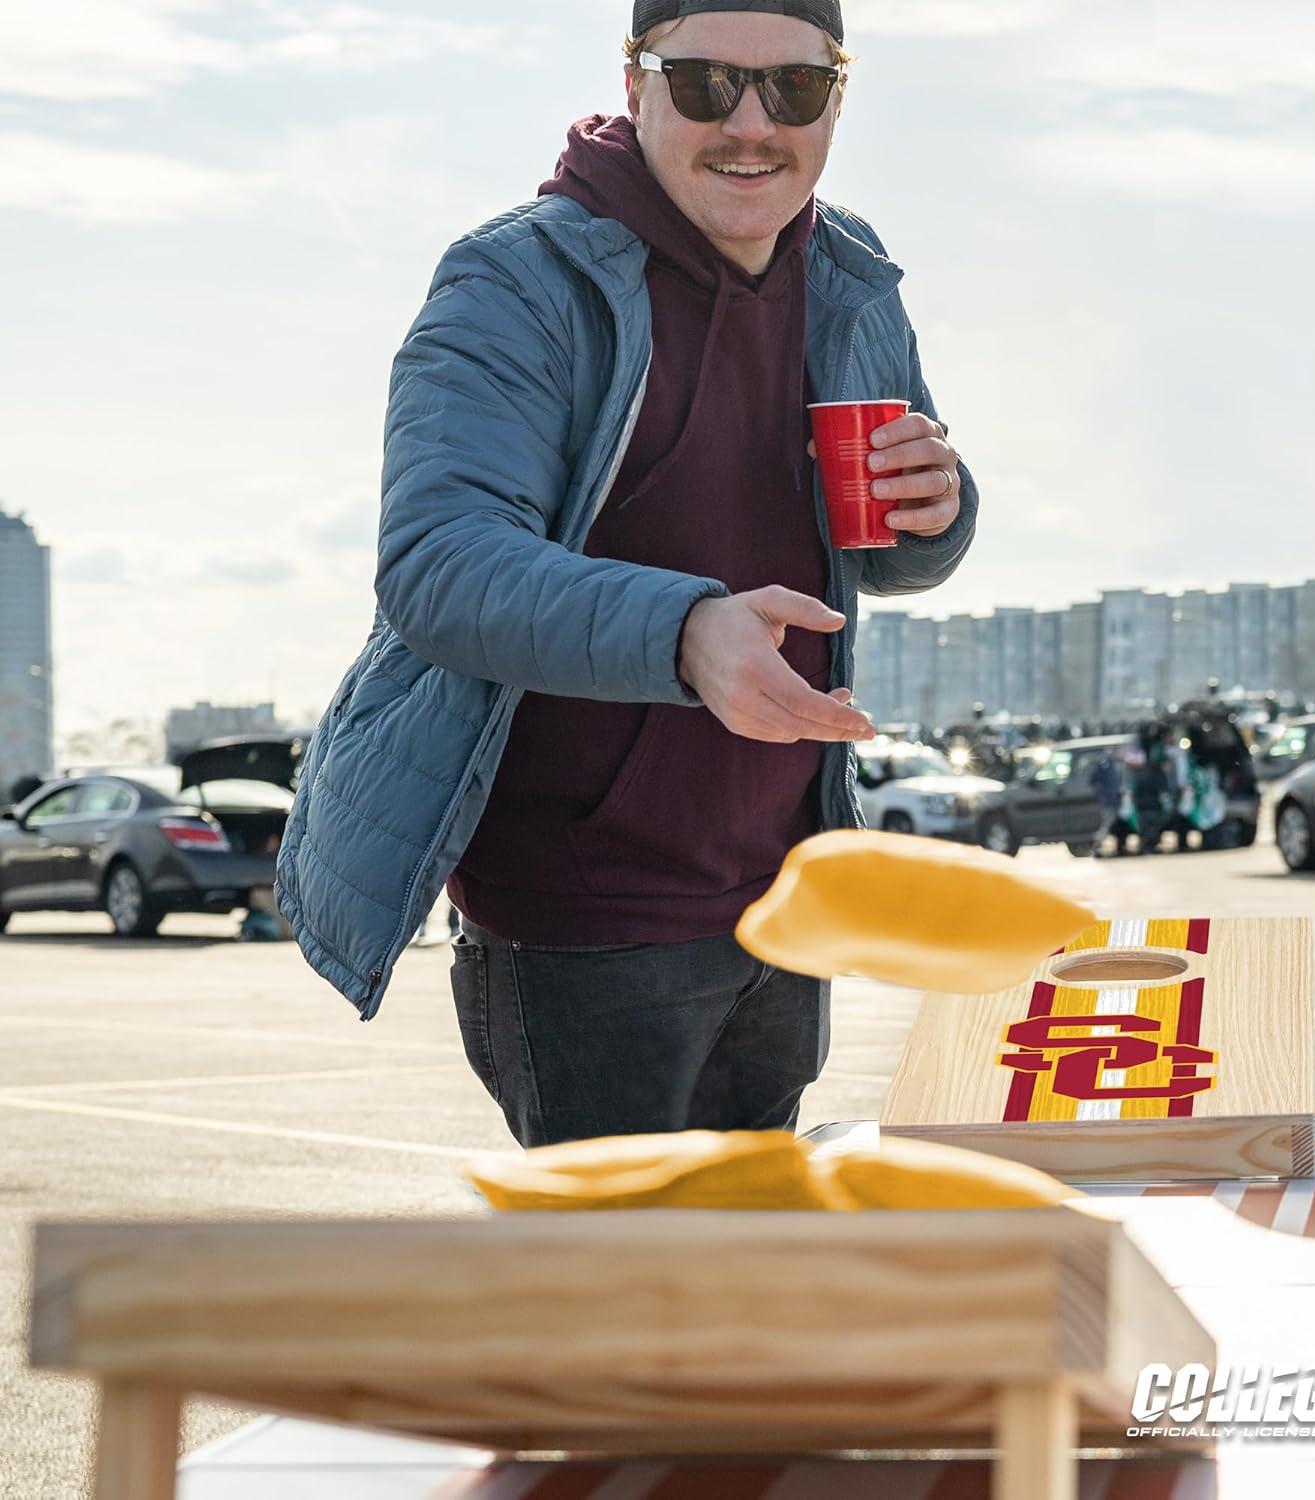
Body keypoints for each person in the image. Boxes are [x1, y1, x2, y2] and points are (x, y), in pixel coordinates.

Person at [274, 0, 977, 1148]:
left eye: (794, 89)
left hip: (784, 893)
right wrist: (685, 629)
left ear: (838, 97)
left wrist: (941, 510)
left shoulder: (850, 277)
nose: (751, 124)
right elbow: (439, 564)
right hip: (586, 909)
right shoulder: (515, 281)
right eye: (705, 84)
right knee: (616, 1310)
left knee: (741, 1301)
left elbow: (890, 549)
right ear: (636, 81)